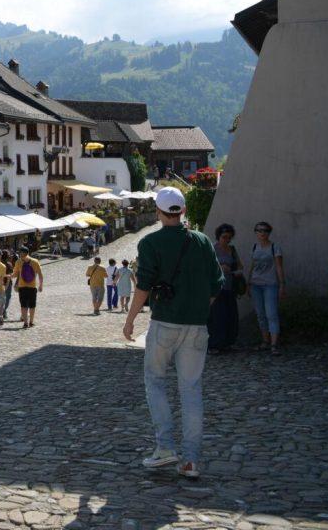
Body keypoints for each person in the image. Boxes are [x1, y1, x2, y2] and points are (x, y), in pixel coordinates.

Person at [123, 187, 223, 480]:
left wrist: (130, 321)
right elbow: (217, 284)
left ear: (158, 211)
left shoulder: (151, 242)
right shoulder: (202, 241)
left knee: (155, 381)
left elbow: (143, 286)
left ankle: (165, 447)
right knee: (191, 390)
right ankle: (191, 460)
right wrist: (198, 310)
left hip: (164, 323)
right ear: (182, 211)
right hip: (196, 326)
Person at [247, 222, 285, 355]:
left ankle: (274, 345)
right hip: (256, 285)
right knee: (261, 315)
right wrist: (248, 283)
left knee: (271, 314)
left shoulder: (275, 247)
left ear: (269, 232)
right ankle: (265, 341)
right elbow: (252, 265)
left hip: (270, 284)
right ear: (256, 232)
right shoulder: (254, 247)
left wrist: (282, 285)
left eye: (265, 231)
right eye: (259, 230)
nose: (262, 233)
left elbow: (279, 267)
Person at [207, 224, 241, 353]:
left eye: (229, 237)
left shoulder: (232, 250)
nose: (226, 240)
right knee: (217, 317)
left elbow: (240, 266)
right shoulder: (212, 250)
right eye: (224, 237)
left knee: (231, 316)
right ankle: (214, 345)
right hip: (216, 289)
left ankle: (228, 342)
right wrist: (220, 268)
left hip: (230, 287)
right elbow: (206, 268)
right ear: (218, 237)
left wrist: (236, 271)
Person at [15, 247, 43, 328]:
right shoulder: (35, 261)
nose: (19, 254)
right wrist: (41, 285)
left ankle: (25, 323)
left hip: (22, 287)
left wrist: (8, 276)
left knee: (23, 305)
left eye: (20, 253)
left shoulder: (18, 262)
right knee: (32, 305)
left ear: (22, 253)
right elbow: (40, 274)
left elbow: (15, 274)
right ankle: (31, 322)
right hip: (32, 287)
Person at [1, 251, 16, 320]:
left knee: (1, 298)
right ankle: (3, 311)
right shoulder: (9, 264)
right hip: (7, 284)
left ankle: (2, 310)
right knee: (7, 298)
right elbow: (10, 276)